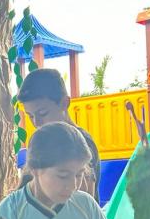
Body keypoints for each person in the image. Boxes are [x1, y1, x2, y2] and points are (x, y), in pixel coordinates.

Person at [0, 122, 110, 219]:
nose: (73, 186)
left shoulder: (86, 205)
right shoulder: (11, 211)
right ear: (35, 170)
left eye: (79, 174)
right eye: (63, 176)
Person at [17, 68, 101, 202]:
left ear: (64, 103)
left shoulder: (80, 142)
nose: (36, 123)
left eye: (43, 113)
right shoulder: (40, 140)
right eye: (30, 116)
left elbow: (83, 198)